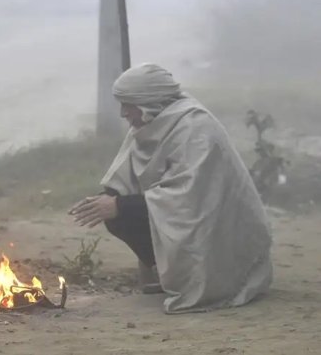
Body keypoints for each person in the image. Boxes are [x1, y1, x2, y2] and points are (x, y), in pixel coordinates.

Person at [69, 63, 272, 314]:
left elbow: (191, 198)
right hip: (182, 211)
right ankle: (172, 275)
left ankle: (198, 280)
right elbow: (126, 173)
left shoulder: (195, 127)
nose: (123, 113)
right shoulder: (150, 122)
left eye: (127, 104)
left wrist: (119, 205)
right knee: (118, 215)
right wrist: (107, 199)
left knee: (122, 210)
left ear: (146, 101)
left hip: (218, 228)